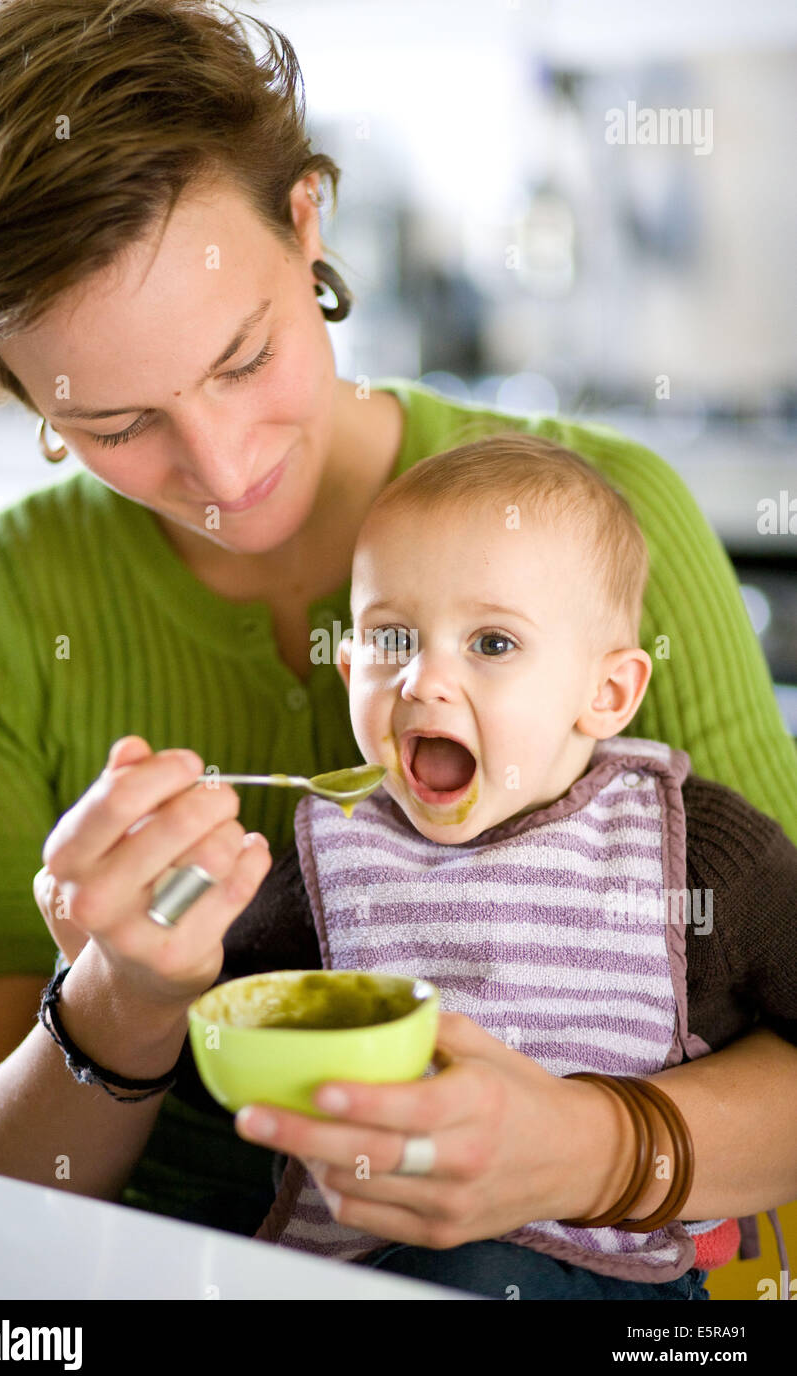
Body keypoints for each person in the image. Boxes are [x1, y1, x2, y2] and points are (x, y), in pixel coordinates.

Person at [0, 0, 795, 1287]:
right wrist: (121, 994)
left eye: (244, 355)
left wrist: (583, 1153)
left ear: (307, 220)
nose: (221, 469)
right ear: (18, 394)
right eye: (116, 423)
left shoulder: (603, 522)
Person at [186, 431, 797, 1299]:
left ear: (609, 693)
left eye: (494, 644)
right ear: (350, 665)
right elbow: (210, 1052)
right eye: (393, 639)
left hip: (608, 1279)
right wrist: (157, 939)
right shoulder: (330, 855)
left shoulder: (695, 854)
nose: (424, 683)